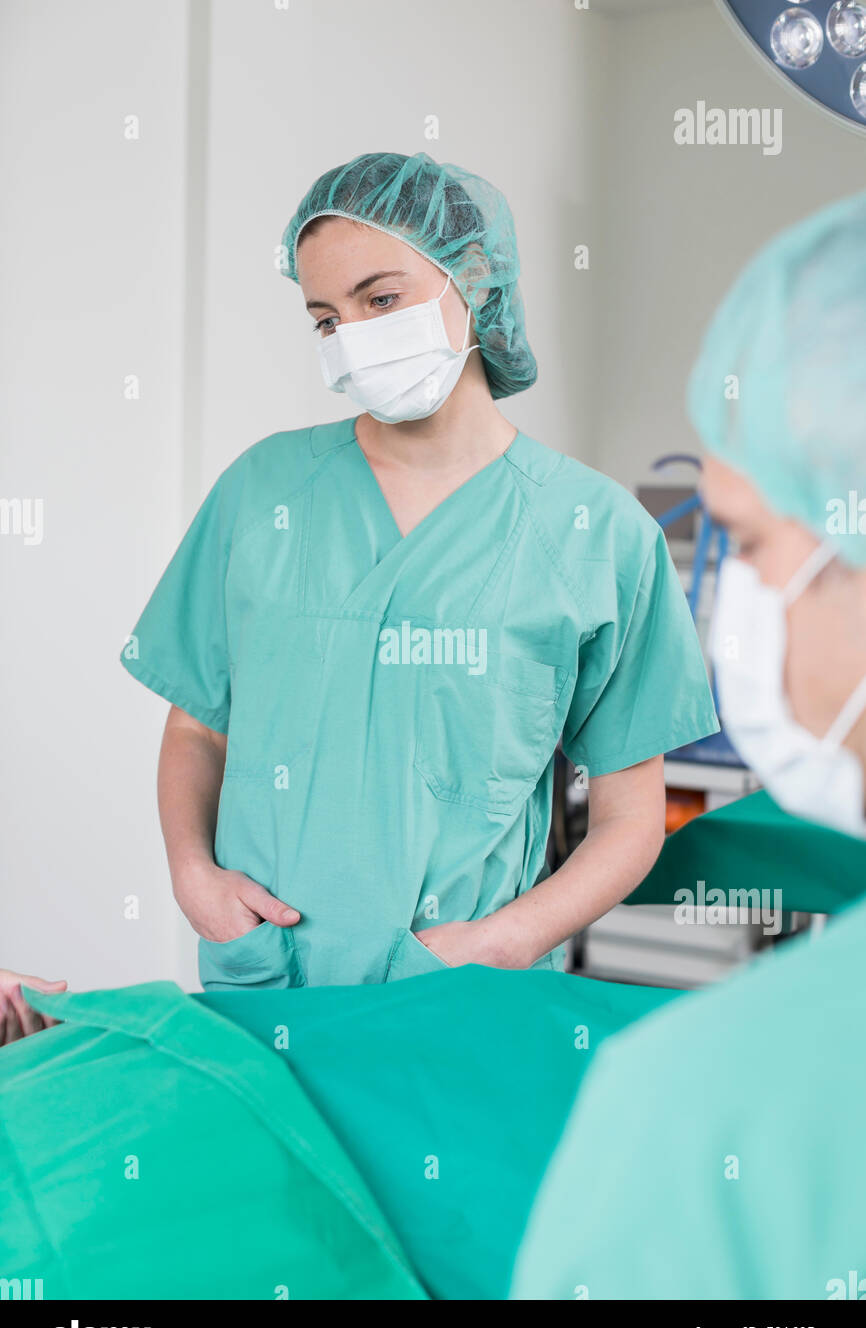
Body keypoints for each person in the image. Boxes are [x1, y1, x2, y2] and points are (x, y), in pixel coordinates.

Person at [120, 151, 717, 991]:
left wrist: (510, 938)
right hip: (264, 982)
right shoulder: (264, 494)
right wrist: (194, 878)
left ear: (474, 277)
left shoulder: (594, 531)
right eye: (326, 317)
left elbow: (629, 816)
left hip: (462, 994)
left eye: (382, 299)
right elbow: (195, 729)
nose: (354, 336)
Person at [511, 190, 866, 1301]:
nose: (737, 614)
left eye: (753, 546)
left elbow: (627, 804)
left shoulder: (715, 1110)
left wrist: (512, 930)